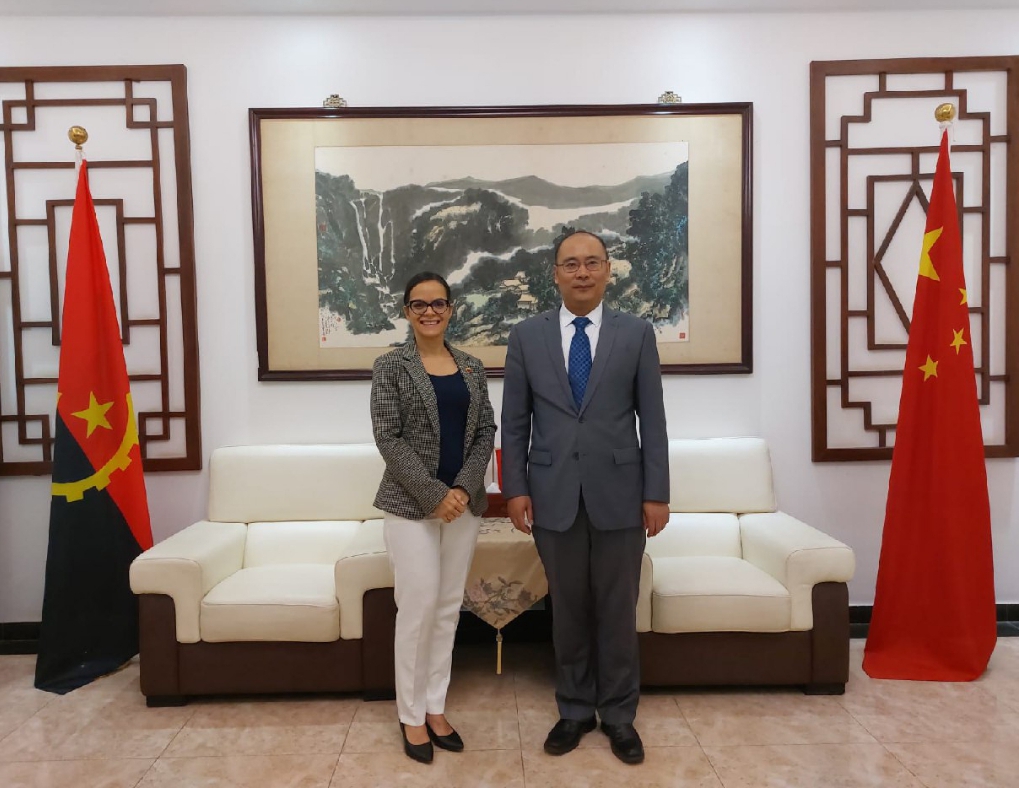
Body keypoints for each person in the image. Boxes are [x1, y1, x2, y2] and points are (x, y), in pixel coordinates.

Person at [501, 230, 669, 765]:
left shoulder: (636, 333)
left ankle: (619, 715)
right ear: (555, 273)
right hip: (552, 494)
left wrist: (657, 492)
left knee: (617, 610)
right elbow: (514, 422)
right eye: (570, 264)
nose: (582, 272)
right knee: (568, 610)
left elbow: (653, 419)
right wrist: (515, 488)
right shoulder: (526, 336)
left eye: (592, 262)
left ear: (607, 270)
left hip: (622, 494)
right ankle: (574, 709)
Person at [370, 271, 497, 764]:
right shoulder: (390, 366)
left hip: (463, 506)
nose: (429, 312)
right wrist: (434, 495)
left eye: (438, 303)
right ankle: (411, 714)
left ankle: (435, 705)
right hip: (410, 508)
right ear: (407, 311)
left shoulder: (472, 366)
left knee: (447, 609)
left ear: (451, 309)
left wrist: (462, 489)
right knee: (418, 607)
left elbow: (485, 431)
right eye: (419, 304)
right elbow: (388, 437)